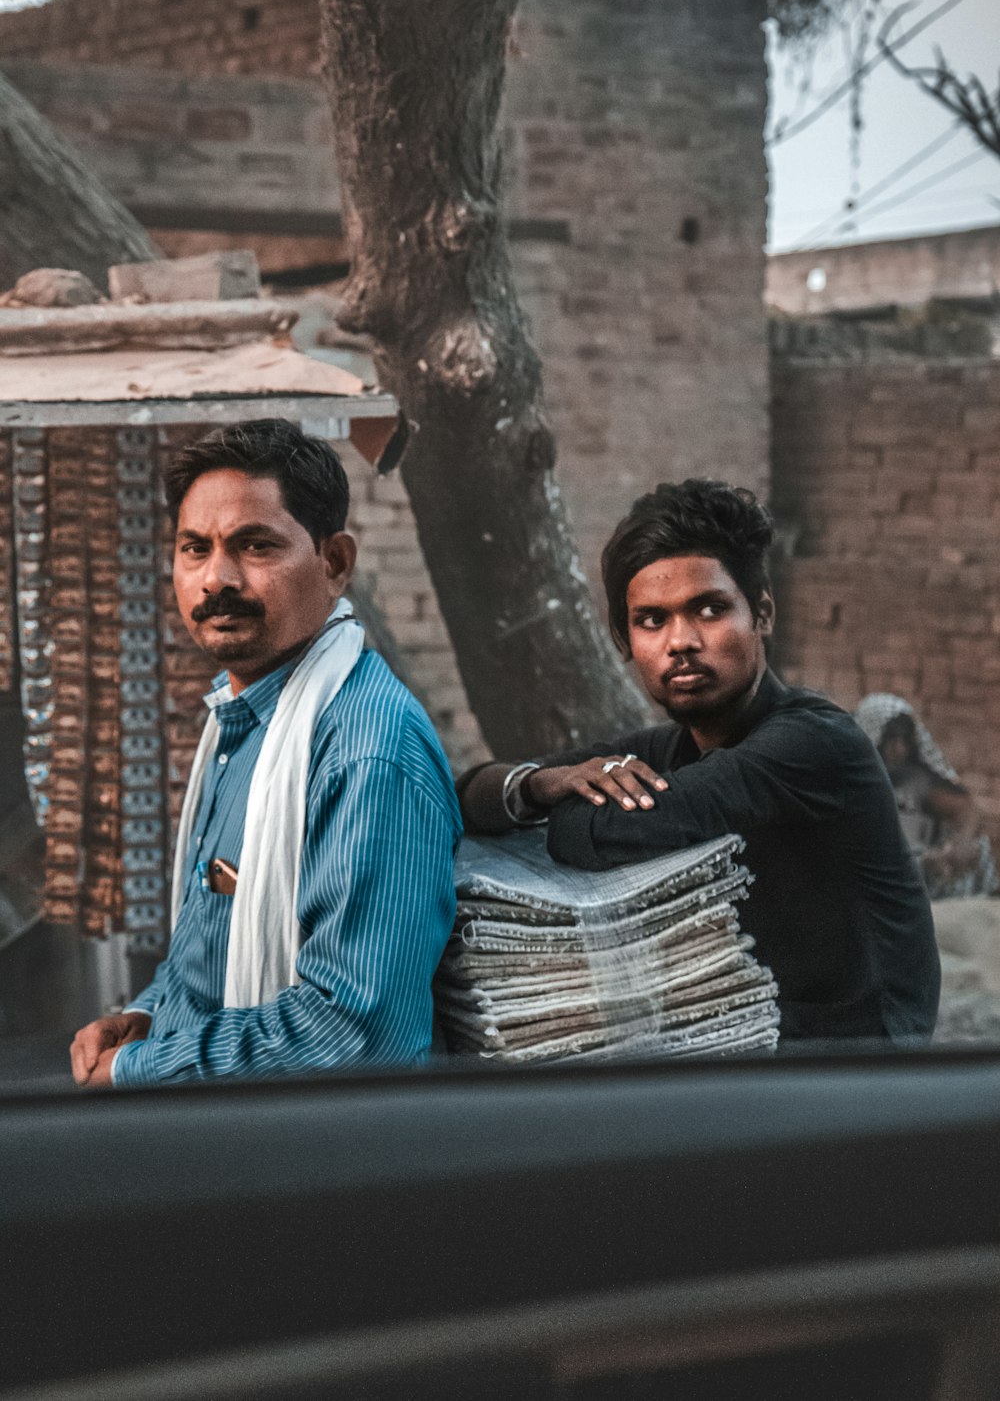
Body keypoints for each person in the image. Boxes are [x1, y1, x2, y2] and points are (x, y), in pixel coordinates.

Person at [459, 480, 940, 1045]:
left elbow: (601, 833)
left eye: (709, 610)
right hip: (756, 1032)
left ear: (761, 612)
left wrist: (570, 804)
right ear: (624, 640)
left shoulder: (813, 741)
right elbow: (467, 793)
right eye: (651, 621)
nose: (680, 641)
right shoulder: (671, 749)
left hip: (859, 1056)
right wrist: (546, 782)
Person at [71, 419, 460, 1088]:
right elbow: (214, 945)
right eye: (195, 549)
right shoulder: (245, 721)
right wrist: (147, 1013)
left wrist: (137, 1070)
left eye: (254, 546)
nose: (216, 578)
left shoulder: (365, 751)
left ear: (335, 562)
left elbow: (356, 1035)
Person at [856, 693, 998, 900]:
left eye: (905, 739)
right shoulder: (854, 785)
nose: (899, 749)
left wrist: (960, 845)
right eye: (891, 740)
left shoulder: (916, 781)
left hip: (919, 879)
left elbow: (967, 809)